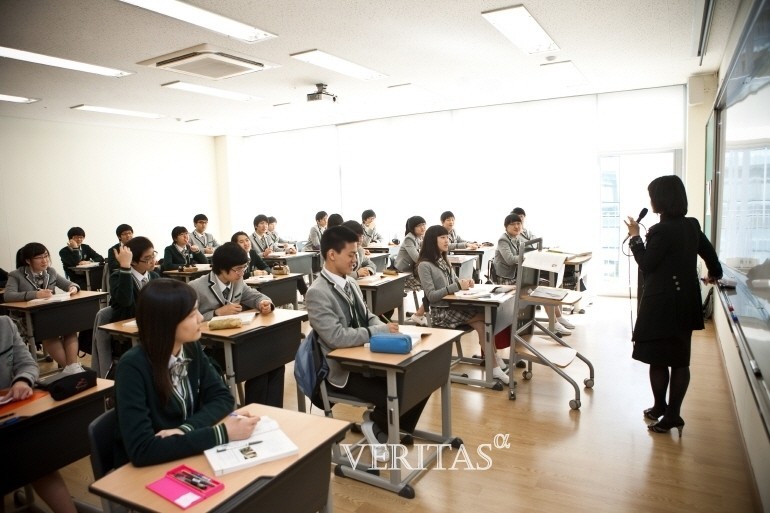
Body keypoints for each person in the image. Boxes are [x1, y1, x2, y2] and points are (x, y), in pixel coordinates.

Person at [306, 226, 427, 462]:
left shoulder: (349, 283)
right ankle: (378, 427)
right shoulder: (316, 292)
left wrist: (386, 329)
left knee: (420, 379)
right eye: (351, 254)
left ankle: (380, 427)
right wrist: (378, 330)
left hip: (366, 358)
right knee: (395, 395)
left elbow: (368, 316)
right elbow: (337, 338)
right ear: (332, 255)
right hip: (342, 370)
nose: (356, 259)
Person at [113, 279, 260, 467]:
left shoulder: (190, 347)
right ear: (166, 323)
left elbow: (222, 398)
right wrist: (221, 433)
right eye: (192, 314)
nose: (201, 318)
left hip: (185, 454)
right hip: (146, 470)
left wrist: (185, 429)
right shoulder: (132, 367)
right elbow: (142, 450)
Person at [625, 175, 722, 436]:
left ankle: (667, 411)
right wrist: (715, 272)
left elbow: (646, 264)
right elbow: (708, 251)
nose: (651, 201)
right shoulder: (691, 225)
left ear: (661, 200)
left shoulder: (661, 230)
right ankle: (668, 411)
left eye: (653, 196)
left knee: (658, 359)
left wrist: (635, 238)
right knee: (679, 359)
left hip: (662, 304)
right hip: (687, 300)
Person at [0, 316, 78, 513]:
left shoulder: (5, 325)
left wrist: (22, 381)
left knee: (38, 460)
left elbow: (28, 364)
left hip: (10, 417)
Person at [187, 242, 280, 406]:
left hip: (236, 341)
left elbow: (254, 296)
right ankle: (253, 408)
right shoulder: (196, 287)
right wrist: (216, 313)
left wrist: (264, 303)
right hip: (211, 348)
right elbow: (186, 320)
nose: (242, 273)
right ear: (222, 268)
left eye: (244, 267)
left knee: (273, 361)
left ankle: (265, 410)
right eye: (238, 269)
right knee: (259, 361)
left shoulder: (238, 282)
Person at [417, 225, 509, 383]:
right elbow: (431, 296)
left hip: (454, 307)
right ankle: (494, 363)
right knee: (486, 316)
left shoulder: (443, 259)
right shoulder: (424, 265)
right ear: (433, 241)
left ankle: (493, 364)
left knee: (483, 323)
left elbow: (454, 283)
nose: (447, 240)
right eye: (443, 238)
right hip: (441, 313)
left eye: (447, 237)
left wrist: (466, 283)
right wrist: (457, 286)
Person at [5, 243, 82, 372]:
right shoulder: (16, 275)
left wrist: (73, 288)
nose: (45, 260)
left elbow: (69, 284)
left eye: (46, 256)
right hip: (27, 318)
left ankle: (72, 368)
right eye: (39, 257)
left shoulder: (50, 272)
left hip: (50, 314)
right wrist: (35, 295)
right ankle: (70, 370)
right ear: (28, 260)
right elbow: (8, 296)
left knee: (71, 328)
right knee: (49, 332)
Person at [494, 214, 572, 336]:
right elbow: (510, 259)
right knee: (540, 289)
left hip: (519, 275)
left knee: (545, 285)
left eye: (518, 223)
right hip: (506, 279)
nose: (516, 226)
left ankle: (558, 318)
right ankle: (554, 323)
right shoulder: (503, 240)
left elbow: (529, 250)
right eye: (513, 224)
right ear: (506, 227)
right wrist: (527, 256)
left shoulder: (518, 238)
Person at [110, 236, 160, 321]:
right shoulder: (117, 277)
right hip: (125, 327)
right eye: (147, 258)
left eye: (153, 255)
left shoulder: (154, 276)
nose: (153, 261)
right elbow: (125, 301)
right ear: (133, 261)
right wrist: (125, 266)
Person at [395, 216, 428, 326]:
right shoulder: (409, 239)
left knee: (433, 283)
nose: (423, 227)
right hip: (403, 275)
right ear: (412, 228)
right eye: (419, 226)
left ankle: (421, 313)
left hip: (411, 272)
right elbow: (417, 258)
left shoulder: (419, 238)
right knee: (431, 285)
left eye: (424, 224)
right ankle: (421, 313)